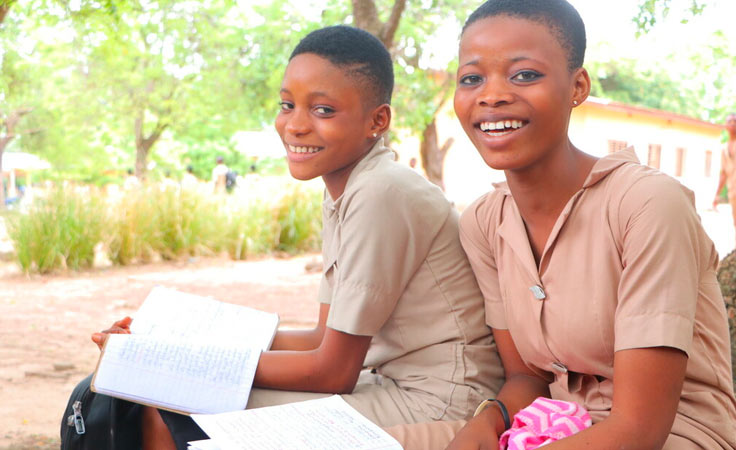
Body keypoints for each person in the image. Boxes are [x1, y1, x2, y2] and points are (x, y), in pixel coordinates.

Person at [92, 25, 503, 449]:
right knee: (164, 391)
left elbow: (332, 371)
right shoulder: (346, 188)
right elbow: (321, 337)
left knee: (172, 405)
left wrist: (175, 363)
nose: (295, 125)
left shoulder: (382, 192)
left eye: (323, 110)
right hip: (389, 381)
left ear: (377, 120)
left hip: (442, 399)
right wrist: (169, 341)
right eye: (287, 105)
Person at [387, 1, 736, 449]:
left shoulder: (647, 204)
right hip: (551, 425)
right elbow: (526, 376)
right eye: (472, 78)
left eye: (524, 75)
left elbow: (638, 431)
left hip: (673, 435)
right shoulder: (484, 222)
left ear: (577, 86)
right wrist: (488, 421)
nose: (491, 95)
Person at [713, 113, 736, 247]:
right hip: (732, 190)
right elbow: (723, 173)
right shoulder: (724, 149)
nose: (733, 123)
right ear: (726, 125)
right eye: (730, 121)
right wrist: (716, 195)